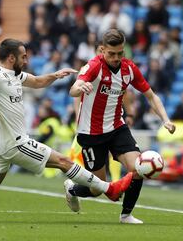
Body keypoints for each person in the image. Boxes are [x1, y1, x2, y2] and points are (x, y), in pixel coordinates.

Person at [0, 38, 134, 221]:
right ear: (11, 58)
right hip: (15, 142)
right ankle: (110, 189)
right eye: (23, 57)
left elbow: (37, 82)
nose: (26, 60)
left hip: (1, 140)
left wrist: (55, 75)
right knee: (63, 162)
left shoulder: (15, 75)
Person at [64, 29, 176, 224]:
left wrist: (165, 119)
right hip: (90, 133)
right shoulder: (93, 67)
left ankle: (126, 215)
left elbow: (151, 95)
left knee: (139, 168)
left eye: (120, 53)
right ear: (102, 50)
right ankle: (72, 189)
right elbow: (73, 89)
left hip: (117, 128)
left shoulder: (129, 68)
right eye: (111, 54)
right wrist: (79, 88)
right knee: (97, 188)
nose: (116, 58)